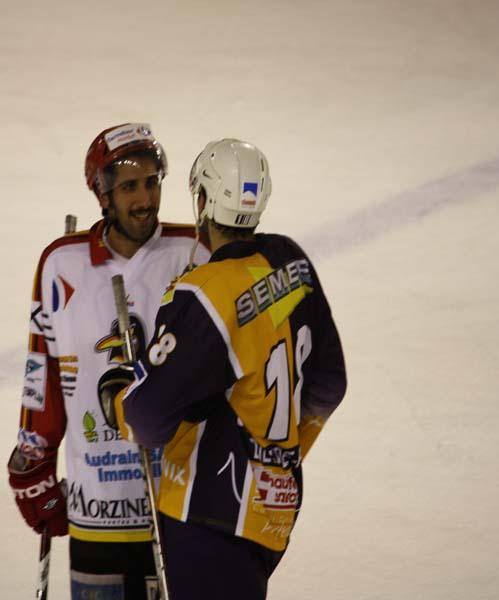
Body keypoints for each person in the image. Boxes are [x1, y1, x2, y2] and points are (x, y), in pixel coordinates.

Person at [100, 139, 347, 599]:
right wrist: (279, 460)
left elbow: (146, 420)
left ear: (203, 202)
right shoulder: (291, 261)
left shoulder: (203, 293)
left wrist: (117, 395)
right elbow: (331, 384)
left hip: (208, 518)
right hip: (274, 513)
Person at [7, 123, 210, 600]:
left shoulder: (194, 252)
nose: (145, 199)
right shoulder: (61, 263)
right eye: (129, 187)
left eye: (151, 183)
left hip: (181, 504)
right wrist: (33, 461)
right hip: (96, 507)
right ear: (103, 194)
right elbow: (44, 374)